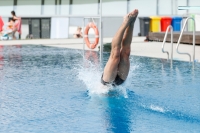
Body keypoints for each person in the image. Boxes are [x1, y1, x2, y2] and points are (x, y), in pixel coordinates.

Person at [101, 9, 139, 86]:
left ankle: (126, 21)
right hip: (118, 83)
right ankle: (131, 23)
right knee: (125, 53)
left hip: (107, 82)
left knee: (115, 54)